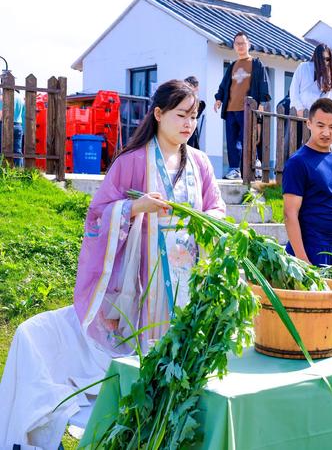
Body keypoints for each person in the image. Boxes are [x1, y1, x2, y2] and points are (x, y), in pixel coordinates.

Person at [0, 80, 226, 449]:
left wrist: (206, 221)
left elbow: (217, 209)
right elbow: (97, 215)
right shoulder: (131, 162)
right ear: (158, 114)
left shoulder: (199, 163)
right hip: (141, 279)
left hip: (187, 275)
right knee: (140, 351)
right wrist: (135, 207)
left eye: (194, 116)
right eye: (181, 115)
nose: (189, 124)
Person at [283, 98, 332, 266]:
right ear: (309, 123)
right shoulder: (298, 162)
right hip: (309, 253)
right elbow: (290, 214)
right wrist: (302, 260)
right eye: (320, 126)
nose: (326, 132)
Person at [214, 31, 271, 180]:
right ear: (234, 46)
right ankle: (234, 169)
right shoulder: (232, 65)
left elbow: (264, 85)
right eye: (237, 43)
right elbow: (225, 85)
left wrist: (262, 103)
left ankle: (253, 167)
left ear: (249, 45)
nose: (240, 46)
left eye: (243, 43)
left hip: (247, 109)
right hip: (230, 109)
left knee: (249, 140)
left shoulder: (256, 64)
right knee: (232, 142)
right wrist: (219, 99)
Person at [184, 75, 206, 150]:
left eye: (189, 86)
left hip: (190, 131)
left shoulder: (200, 104)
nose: (187, 88)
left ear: (196, 88)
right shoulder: (181, 102)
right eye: (185, 86)